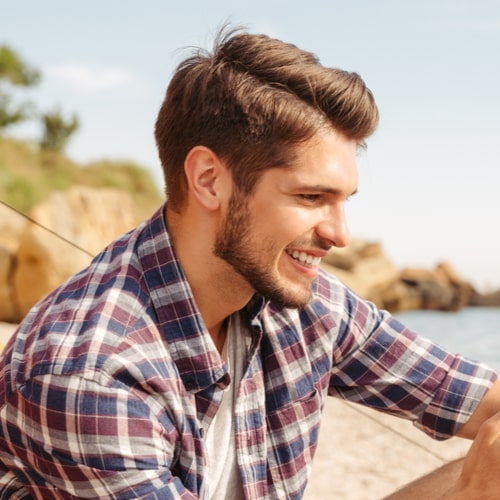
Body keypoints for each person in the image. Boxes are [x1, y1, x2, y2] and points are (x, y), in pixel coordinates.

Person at [0, 27, 499, 499]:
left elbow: (474, 396)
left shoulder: (302, 299)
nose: (340, 234)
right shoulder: (88, 378)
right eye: (310, 196)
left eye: (344, 199)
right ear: (209, 180)